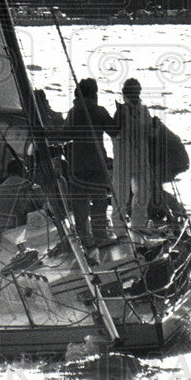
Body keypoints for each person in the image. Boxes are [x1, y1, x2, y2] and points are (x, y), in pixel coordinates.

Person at [63, 77, 117, 253]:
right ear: (93, 93)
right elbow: (114, 130)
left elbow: (64, 135)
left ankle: (84, 240)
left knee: (80, 204)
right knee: (99, 202)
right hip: (96, 164)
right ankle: (100, 236)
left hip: (77, 165)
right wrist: (121, 115)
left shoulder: (73, 112)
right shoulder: (98, 111)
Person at [112, 77, 154, 233]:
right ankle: (119, 228)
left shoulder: (144, 111)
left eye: (137, 92)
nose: (136, 95)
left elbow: (150, 132)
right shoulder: (120, 112)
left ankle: (138, 225)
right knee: (120, 195)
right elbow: (113, 133)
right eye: (132, 92)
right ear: (125, 94)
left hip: (141, 158)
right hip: (123, 160)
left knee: (143, 193)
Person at [0, 159, 44, 239]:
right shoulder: (24, 183)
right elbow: (31, 206)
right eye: (26, 169)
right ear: (21, 169)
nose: (27, 172)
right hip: (14, 230)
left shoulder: (0, 188)